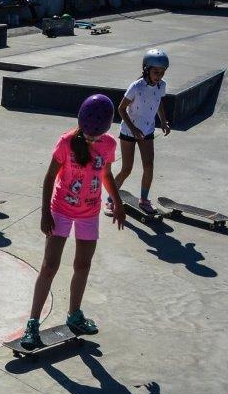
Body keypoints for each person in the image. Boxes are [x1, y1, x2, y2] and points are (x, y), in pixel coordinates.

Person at [22, 95, 124, 350]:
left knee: (83, 264)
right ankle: (32, 323)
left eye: (96, 137)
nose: (92, 141)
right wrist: (45, 212)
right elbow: (49, 178)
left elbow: (106, 174)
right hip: (61, 209)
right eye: (88, 136)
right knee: (50, 266)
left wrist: (118, 202)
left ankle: (74, 315)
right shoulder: (66, 142)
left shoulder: (109, 144)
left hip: (89, 212)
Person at [109, 50, 170, 218]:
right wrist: (133, 129)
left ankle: (144, 199)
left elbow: (158, 101)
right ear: (146, 69)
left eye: (162, 72)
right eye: (156, 72)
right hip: (129, 131)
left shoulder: (161, 85)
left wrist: (163, 121)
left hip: (147, 131)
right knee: (126, 169)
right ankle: (110, 199)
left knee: (149, 166)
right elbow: (121, 109)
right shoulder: (136, 87)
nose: (159, 76)